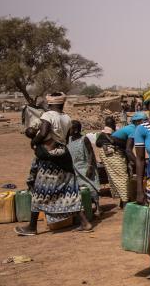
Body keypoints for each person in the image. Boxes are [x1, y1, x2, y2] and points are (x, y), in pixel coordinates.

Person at [16, 92, 93, 235]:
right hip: (63, 156)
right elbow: (67, 137)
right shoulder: (67, 118)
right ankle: (85, 222)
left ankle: (32, 227)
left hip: (49, 160)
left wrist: (34, 141)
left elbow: (44, 132)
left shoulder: (48, 115)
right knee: (69, 190)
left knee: (40, 191)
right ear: (62, 103)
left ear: (50, 103)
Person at [98, 111, 145, 205]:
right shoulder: (134, 130)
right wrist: (138, 164)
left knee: (124, 174)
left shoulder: (133, 128)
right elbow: (128, 150)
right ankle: (125, 204)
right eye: (144, 121)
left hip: (115, 151)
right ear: (137, 122)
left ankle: (123, 201)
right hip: (111, 151)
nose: (146, 123)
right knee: (122, 177)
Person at [66, 120, 101, 215]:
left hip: (85, 167)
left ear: (76, 130)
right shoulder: (68, 139)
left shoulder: (84, 139)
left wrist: (90, 167)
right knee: (81, 189)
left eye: (71, 128)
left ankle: (98, 207)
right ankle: (86, 208)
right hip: (75, 168)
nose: (69, 130)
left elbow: (90, 153)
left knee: (91, 187)